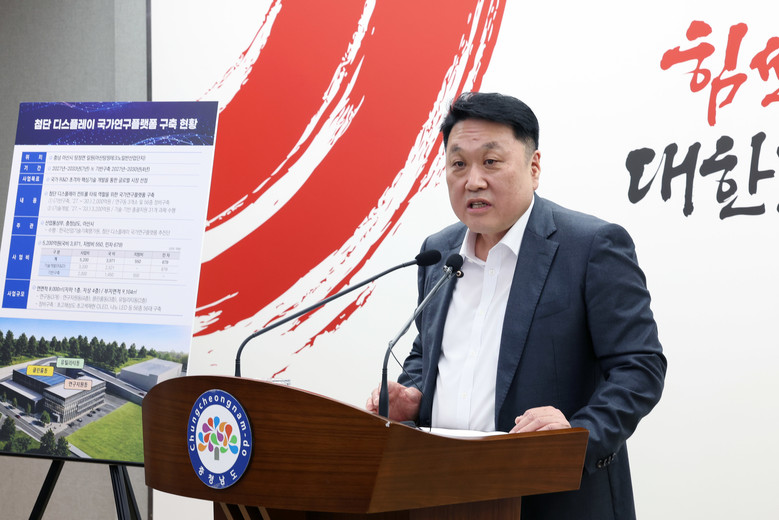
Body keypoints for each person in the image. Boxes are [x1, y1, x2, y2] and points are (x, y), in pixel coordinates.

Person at [366, 92, 667, 519]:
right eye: (458, 164)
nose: (473, 181)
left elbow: (640, 367)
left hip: (555, 500)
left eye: (490, 161)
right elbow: (428, 351)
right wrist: (413, 393)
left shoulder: (591, 246)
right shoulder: (439, 252)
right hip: (442, 494)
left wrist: (576, 433)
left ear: (534, 167)